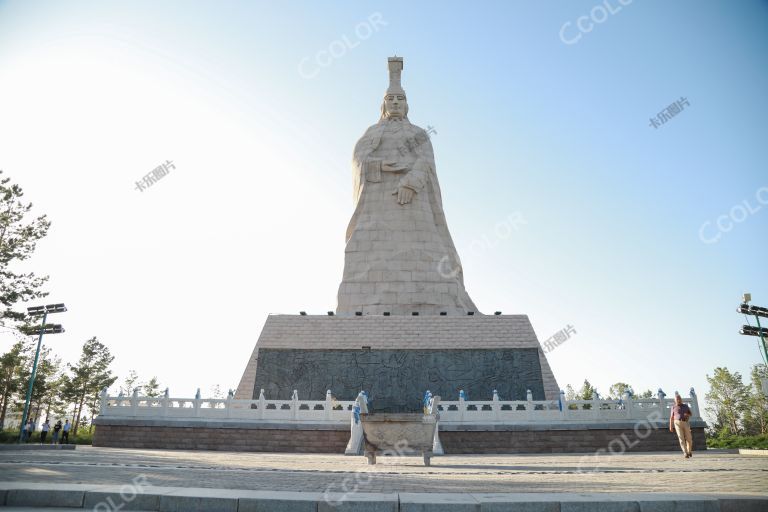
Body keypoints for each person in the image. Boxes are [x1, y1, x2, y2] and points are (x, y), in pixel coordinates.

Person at [669, 393, 693, 458]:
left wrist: (687, 415)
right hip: (677, 423)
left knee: (689, 438)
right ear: (675, 400)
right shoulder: (673, 407)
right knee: (681, 438)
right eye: (677, 399)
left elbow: (690, 414)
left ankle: (689, 451)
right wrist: (671, 426)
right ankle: (685, 453)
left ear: (681, 399)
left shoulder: (685, 406)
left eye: (679, 399)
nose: (678, 400)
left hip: (685, 422)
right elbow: (671, 417)